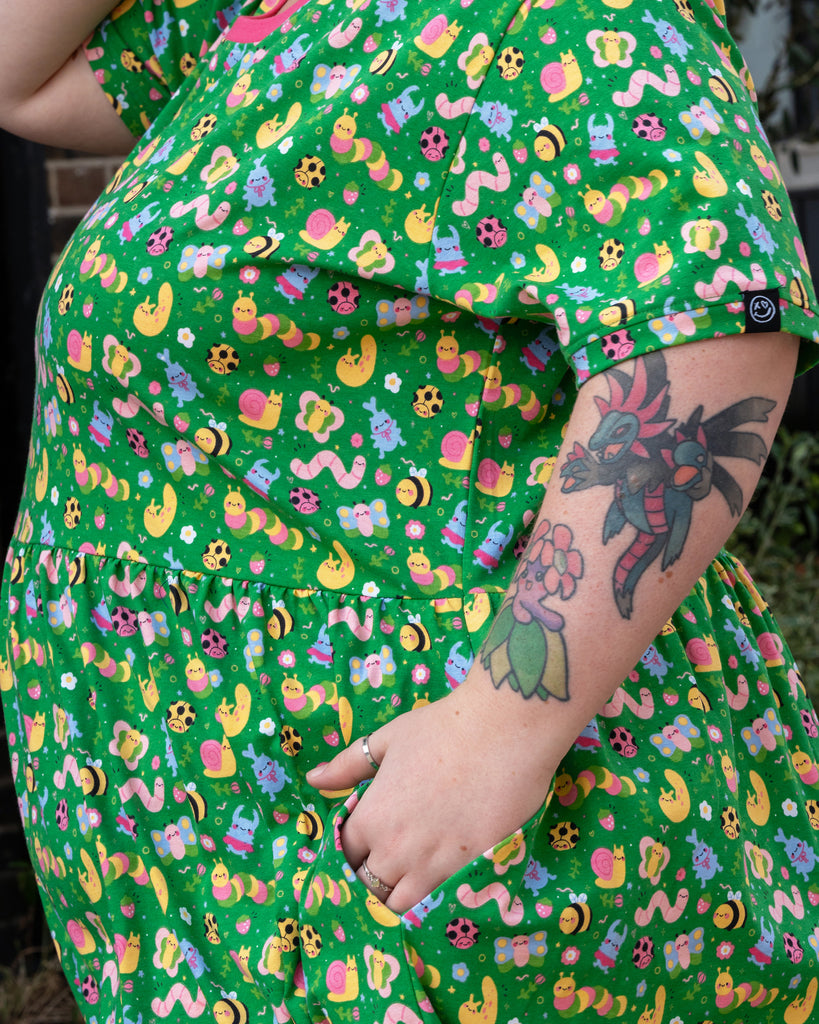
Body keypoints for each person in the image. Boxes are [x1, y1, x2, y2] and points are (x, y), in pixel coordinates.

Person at [2, 0, 819, 1020]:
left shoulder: (568, 19)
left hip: (400, 815)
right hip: (202, 791)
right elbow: (19, 74)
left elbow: (714, 332)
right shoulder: (264, 13)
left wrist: (502, 728)